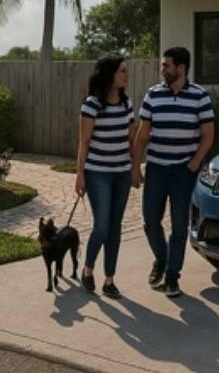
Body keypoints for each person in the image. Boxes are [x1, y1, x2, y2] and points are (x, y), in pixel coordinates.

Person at [131, 46, 216, 298]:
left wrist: (195, 163)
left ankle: (171, 276)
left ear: (181, 68)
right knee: (150, 221)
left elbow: (208, 135)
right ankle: (162, 258)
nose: (163, 69)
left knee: (179, 226)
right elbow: (142, 134)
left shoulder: (200, 96)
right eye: (163, 65)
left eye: (166, 65)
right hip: (156, 169)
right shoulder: (153, 95)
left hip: (183, 172)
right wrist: (135, 166)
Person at [75, 55, 135, 299]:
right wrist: (79, 175)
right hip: (97, 172)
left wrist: (135, 168)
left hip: (122, 173)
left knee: (115, 226)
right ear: (110, 74)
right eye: (122, 71)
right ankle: (88, 269)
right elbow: (84, 142)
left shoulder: (127, 104)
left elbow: (131, 139)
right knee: (101, 226)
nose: (127, 75)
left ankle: (109, 279)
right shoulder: (92, 105)